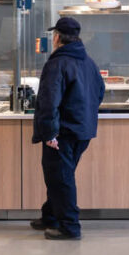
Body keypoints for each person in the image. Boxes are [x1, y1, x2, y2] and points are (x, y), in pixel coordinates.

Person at [30, 17, 105, 241]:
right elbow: (99, 92)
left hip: (62, 132)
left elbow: (48, 101)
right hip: (82, 130)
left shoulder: (57, 63)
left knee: (60, 178)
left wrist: (50, 132)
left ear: (57, 38)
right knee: (61, 176)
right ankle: (50, 216)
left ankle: (70, 226)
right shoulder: (89, 62)